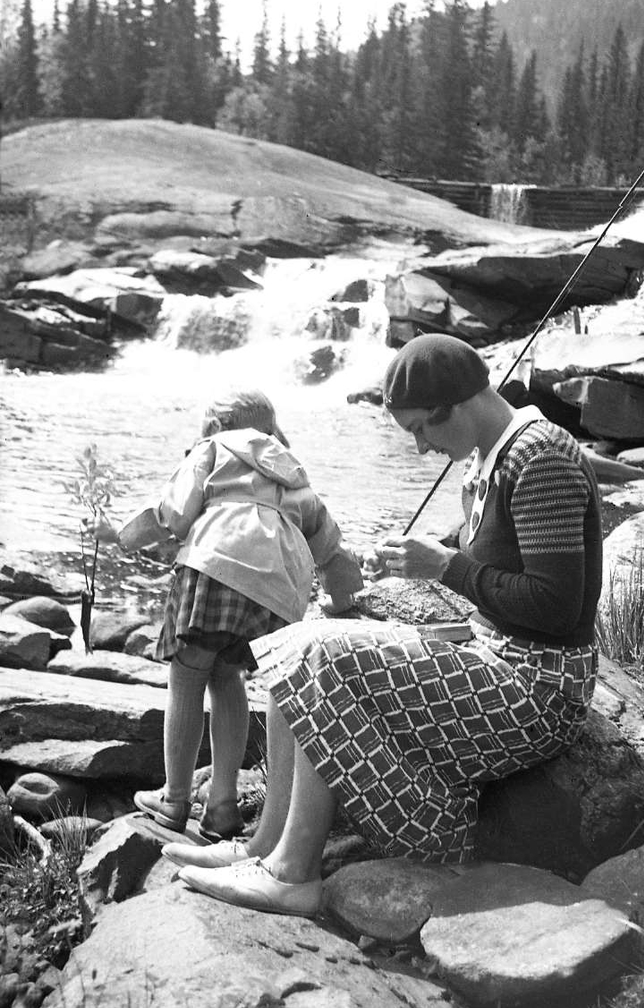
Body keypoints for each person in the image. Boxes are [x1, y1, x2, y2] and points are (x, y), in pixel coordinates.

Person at [163, 335, 602, 918]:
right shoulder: (489, 456)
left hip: (539, 688)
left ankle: (294, 873)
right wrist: (422, 556)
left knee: (327, 655)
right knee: (293, 640)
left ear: (459, 405)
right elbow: (498, 555)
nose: (420, 448)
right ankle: (264, 846)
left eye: (422, 429)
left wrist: (447, 567)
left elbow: (556, 607)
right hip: (497, 655)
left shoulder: (540, 457)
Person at [101, 387, 363, 843]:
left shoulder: (213, 448)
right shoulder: (296, 475)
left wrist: (123, 535)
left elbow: (176, 513)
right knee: (228, 676)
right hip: (277, 593)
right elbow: (330, 549)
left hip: (217, 566)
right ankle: (222, 804)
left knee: (187, 675)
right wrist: (345, 605)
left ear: (218, 426)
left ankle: (175, 798)